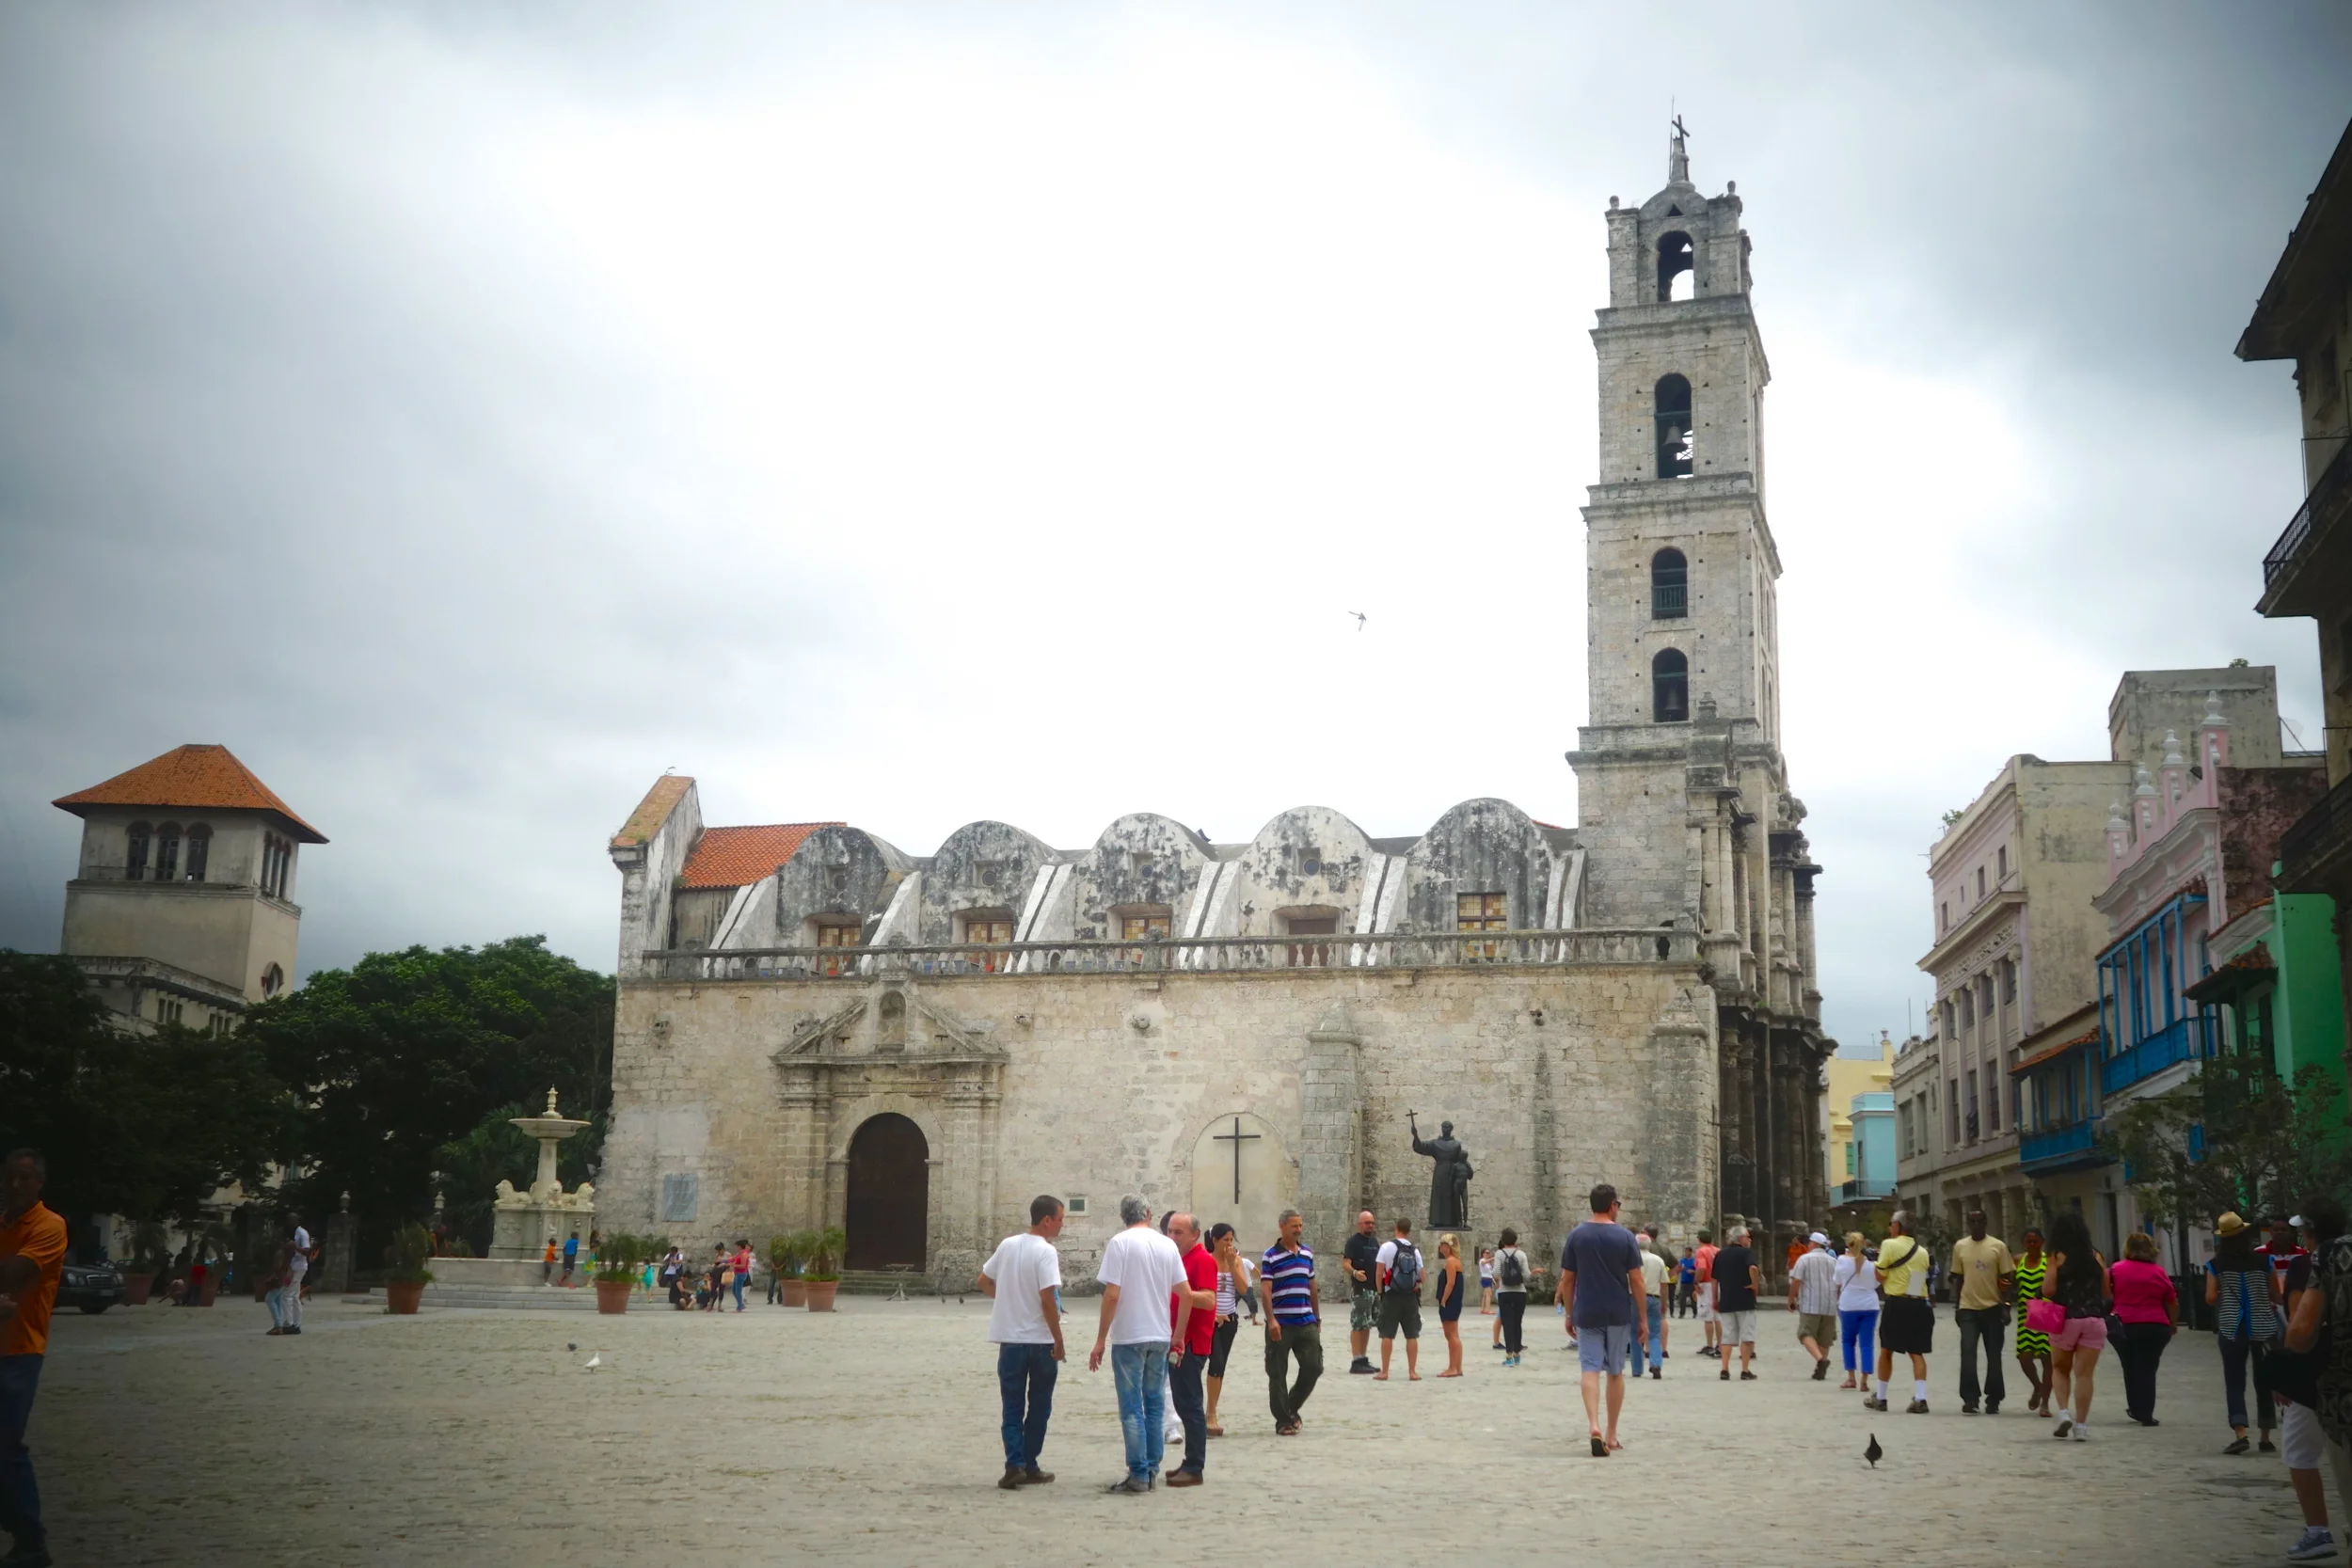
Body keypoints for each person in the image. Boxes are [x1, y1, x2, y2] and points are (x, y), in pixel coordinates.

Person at [1089, 1196, 1198, 1493]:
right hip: (1160, 1335)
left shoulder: (1120, 1243)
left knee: (1131, 1407)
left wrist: (1100, 1339)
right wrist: (1178, 1335)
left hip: (1129, 1336)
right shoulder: (1166, 1245)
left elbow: (1112, 1295)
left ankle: (1138, 1472)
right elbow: (1186, 1294)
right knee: (1154, 1404)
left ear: (1123, 1216)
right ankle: (1151, 1469)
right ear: (1149, 1214)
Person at [0, 1149, 64, 1568]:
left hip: (20, 1350)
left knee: (6, 1446)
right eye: (10, 1177)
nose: (16, 1184)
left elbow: (16, 1273)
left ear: (39, 1182)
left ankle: (31, 1540)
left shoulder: (49, 1224)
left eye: (25, 1178)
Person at [2279, 1198, 2352, 1562]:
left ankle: (2317, 1530)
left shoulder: (2314, 1263)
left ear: (2307, 1233)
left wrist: (2284, 1374)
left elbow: (2299, 1330)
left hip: (2330, 1382)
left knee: (2299, 1450)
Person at [979, 1195, 1066, 1490]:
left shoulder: (1007, 1245)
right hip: (1040, 1341)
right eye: (1059, 1219)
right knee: (1039, 1406)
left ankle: (1014, 1463)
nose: (1061, 1224)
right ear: (1046, 1221)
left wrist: (1006, 1298)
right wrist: (1059, 1339)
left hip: (1010, 1340)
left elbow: (983, 1280)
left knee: (1012, 1406)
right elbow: (1047, 1299)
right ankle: (1029, 1463)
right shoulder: (1046, 1252)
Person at [1558, 1184, 1646, 1457]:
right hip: (1617, 1312)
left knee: (1589, 1369)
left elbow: (1568, 1279)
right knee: (1616, 1372)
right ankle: (1611, 1433)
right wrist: (1643, 1317)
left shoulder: (1576, 1236)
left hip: (1587, 1311)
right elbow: (1637, 1280)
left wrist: (1570, 1313)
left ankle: (1593, 1425)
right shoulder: (1625, 1237)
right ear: (1612, 1206)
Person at [2208, 1210, 2283, 1454]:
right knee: (2265, 1381)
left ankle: (2240, 1430)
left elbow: (2209, 1298)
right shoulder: (2264, 1262)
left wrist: (2225, 1295)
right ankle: (2265, 1436)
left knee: (2234, 1381)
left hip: (2231, 1329)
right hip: (2263, 1328)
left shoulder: (2215, 1265)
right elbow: (2276, 1295)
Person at [2042, 1209, 2108, 1440]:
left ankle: (2063, 1413)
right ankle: (2081, 1426)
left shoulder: (2056, 1256)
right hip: (2093, 1320)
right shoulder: (2096, 1256)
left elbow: (2048, 1290)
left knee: (2060, 1368)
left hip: (2065, 1319)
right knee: (2085, 1375)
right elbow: (2107, 1290)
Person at [1163, 1212, 1218, 1487]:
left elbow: (1209, 1300)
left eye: (1179, 1233)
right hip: (1176, 1340)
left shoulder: (1203, 1260)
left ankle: (1195, 1466)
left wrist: (1183, 1293)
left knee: (1191, 1405)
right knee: (1183, 1404)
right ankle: (1189, 1461)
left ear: (1195, 1235)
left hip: (1192, 1343)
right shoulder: (1177, 1259)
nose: (1172, 1237)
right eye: (1170, 1231)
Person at [1261, 1209, 1321, 1435]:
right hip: (1281, 1323)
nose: (1298, 1230)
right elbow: (1266, 1291)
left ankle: (1290, 1407)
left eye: (1300, 1226)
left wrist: (1317, 1317)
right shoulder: (1270, 1256)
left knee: (1314, 1367)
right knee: (1277, 1372)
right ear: (1282, 1226)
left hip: (1306, 1321)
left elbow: (1312, 1287)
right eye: (1294, 1226)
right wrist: (1271, 1320)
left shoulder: (1306, 1254)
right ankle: (1284, 1421)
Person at [2108, 1230, 2178, 1427]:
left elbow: (2105, 1293)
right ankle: (2147, 1412)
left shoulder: (2116, 1269)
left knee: (2129, 1366)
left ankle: (2136, 1407)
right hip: (2155, 1325)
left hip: (2124, 1325)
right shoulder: (2158, 1272)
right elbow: (2172, 1301)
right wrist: (2172, 1323)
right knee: (2148, 1368)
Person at [1949, 1209, 2014, 1415]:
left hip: (1992, 1308)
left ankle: (1994, 1398)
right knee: (1968, 1353)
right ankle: (1970, 1397)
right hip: (1968, 1308)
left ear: (1986, 1222)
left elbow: (2007, 1278)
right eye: (1972, 1221)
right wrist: (1957, 1306)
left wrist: (2006, 1306)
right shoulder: (1960, 1246)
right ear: (1968, 1223)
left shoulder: (1998, 1246)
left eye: (1979, 1221)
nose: (1976, 1224)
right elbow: (1958, 1277)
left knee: (1993, 1355)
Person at [1871, 1210, 1933, 1414]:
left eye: (1891, 1224)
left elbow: (1879, 1277)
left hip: (1896, 1303)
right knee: (1917, 1352)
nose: (1889, 1228)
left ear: (1898, 1226)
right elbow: (1917, 1283)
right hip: (1917, 1304)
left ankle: (1881, 1397)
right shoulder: (1922, 1251)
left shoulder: (1889, 1245)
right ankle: (1921, 1397)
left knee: (1886, 1349)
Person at [1205, 1223, 1246, 1435]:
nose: (1229, 1244)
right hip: (1209, 1319)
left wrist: (1231, 1264)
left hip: (1229, 1319)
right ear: (1214, 1241)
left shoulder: (1235, 1260)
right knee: (1216, 1360)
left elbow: (1243, 1288)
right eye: (1225, 1240)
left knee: (1220, 1367)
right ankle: (1209, 1414)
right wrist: (1212, 1315)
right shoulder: (1207, 1260)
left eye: (1231, 1240)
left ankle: (1212, 1410)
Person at [2010, 1227, 2054, 1416]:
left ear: (2042, 1242)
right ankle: (2037, 1386)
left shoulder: (2049, 1261)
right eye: (2028, 1242)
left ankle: (2045, 1403)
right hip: (2025, 1315)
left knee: (2047, 1359)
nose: (2032, 1245)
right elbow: (2009, 1283)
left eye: (2035, 1241)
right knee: (2024, 1356)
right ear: (2024, 1244)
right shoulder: (2017, 1260)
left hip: (2046, 1314)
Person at [1373, 1218, 1423, 1381]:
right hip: (1409, 1297)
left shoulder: (1386, 1247)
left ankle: (1385, 1371)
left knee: (1387, 1334)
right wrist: (1416, 1286)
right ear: (1409, 1230)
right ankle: (1412, 1372)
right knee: (1411, 1335)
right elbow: (1421, 1275)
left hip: (1391, 1294)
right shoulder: (1414, 1250)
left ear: (1396, 1228)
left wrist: (1380, 1291)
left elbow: (1379, 1272)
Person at [1788, 1230, 1838, 1381]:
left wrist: (1791, 1298)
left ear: (1814, 1244)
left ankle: (1820, 1360)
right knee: (1825, 1338)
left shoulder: (1804, 1259)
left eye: (1810, 1242)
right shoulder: (1833, 1261)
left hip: (1811, 1303)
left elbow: (1796, 1280)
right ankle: (1820, 1370)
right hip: (1829, 1304)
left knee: (1805, 1333)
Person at [1712, 1226, 1761, 1381]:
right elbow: (1753, 1268)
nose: (1749, 1240)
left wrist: (1715, 1298)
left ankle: (1724, 1368)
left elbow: (1714, 1279)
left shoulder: (1720, 1254)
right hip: (1745, 1299)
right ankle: (1745, 1370)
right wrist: (1755, 1285)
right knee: (1746, 1335)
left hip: (1726, 1300)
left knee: (1727, 1336)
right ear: (1740, 1239)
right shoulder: (1746, 1253)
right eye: (1747, 1236)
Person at [1835, 1231, 1878, 1392]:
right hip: (1870, 1305)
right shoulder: (1872, 1265)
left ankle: (1851, 1377)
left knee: (1848, 1341)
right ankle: (1864, 1380)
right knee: (1867, 1344)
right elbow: (1876, 1284)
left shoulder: (1841, 1261)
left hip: (1848, 1305)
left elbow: (1837, 1281)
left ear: (1848, 1244)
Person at [1342, 1211, 1380, 1375]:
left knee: (1367, 1324)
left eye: (1372, 1222)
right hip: (1361, 1289)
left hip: (1373, 1290)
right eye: (1367, 1223)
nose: (1370, 1225)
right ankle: (1356, 1360)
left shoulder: (1375, 1242)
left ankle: (1363, 1359)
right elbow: (1346, 1263)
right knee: (1358, 1324)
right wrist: (1355, 1273)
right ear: (1360, 1224)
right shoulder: (1353, 1242)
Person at [1492, 1227, 1535, 1367]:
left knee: (1507, 1323)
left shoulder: (1499, 1254)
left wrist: (1503, 1278)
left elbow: (1496, 1272)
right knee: (1517, 1323)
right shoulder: (1521, 1254)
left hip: (1505, 1292)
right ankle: (1517, 1354)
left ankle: (1509, 1355)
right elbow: (1527, 1276)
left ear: (1503, 1240)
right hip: (1520, 1292)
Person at [1632, 1232, 1669, 1380]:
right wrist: (1664, 1302)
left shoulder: (1631, 1260)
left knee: (1634, 1333)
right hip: (1654, 1297)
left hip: (1634, 1298)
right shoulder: (1658, 1260)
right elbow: (1664, 1284)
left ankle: (1636, 1368)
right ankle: (1655, 1363)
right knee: (1654, 1333)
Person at [1434, 1234, 1466, 1378]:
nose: (1440, 1247)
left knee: (1451, 1335)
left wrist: (1444, 1299)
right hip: (1455, 1301)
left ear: (1448, 1246)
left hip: (1450, 1301)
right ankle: (1457, 1367)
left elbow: (1450, 1282)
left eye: (1442, 1244)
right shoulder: (1455, 1261)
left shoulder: (1451, 1262)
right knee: (1454, 1335)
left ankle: (1453, 1367)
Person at [1693, 1229, 1721, 1358]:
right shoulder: (1717, 1250)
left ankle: (1709, 1345)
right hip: (1719, 1283)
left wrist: (1696, 1282)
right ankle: (1720, 1344)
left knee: (1708, 1316)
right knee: (1717, 1316)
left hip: (1706, 1284)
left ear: (1699, 1239)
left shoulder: (1701, 1251)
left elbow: (1702, 1268)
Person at [280, 1218, 311, 1333]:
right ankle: (295, 1324)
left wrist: (295, 1247)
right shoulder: (296, 1233)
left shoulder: (302, 1233)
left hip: (298, 1267)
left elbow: (307, 1251)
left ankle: (289, 1323)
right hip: (295, 1267)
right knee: (294, 1296)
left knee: (287, 1294)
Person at [730, 1241, 754, 1311]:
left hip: (741, 1274)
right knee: (734, 1290)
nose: (736, 1248)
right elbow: (732, 1259)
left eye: (737, 1246)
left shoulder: (744, 1254)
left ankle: (739, 1307)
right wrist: (722, 1261)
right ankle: (741, 1304)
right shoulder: (739, 1254)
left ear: (739, 1247)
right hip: (737, 1274)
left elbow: (743, 1266)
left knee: (738, 1291)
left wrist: (734, 1265)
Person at [1676, 1246, 1697, 1320]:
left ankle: (1695, 1313)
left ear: (1691, 1252)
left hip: (1692, 1282)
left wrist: (1693, 1271)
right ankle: (1682, 1314)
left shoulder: (1694, 1261)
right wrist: (1680, 1269)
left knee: (1693, 1299)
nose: (1686, 1253)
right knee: (1682, 1299)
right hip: (1683, 1282)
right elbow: (1677, 1270)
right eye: (1685, 1251)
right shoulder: (1681, 1261)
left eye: (1688, 1251)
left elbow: (1698, 1271)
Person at [1477, 1246, 1496, 1315]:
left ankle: (1483, 1309)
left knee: (1485, 1295)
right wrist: (1493, 1258)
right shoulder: (1482, 1260)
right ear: (1483, 1254)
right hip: (1485, 1278)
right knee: (1488, 1294)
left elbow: (1490, 1272)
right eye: (1486, 1253)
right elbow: (1484, 1262)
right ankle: (1488, 1310)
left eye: (1488, 1253)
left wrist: (1493, 1281)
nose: (1488, 1254)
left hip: (1488, 1278)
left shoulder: (1488, 1263)